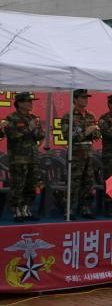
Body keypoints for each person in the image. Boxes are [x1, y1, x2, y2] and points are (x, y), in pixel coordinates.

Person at [2, 91, 45, 221]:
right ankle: (17, 211)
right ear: (20, 103)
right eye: (28, 101)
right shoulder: (11, 119)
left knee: (31, 185)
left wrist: (36, 128)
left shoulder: (33, 118)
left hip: (33, 158)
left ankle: (26, 209)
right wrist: (29, 129)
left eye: (31, 101)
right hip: (18, 158)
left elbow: (39, 136)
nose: (31, 104)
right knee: (18, 186)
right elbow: (13, 136)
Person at [59, 89, 101, 218]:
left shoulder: (90, 116)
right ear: (75, 99)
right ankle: (69, 210)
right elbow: (67, 136)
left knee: (88, 183)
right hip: (76, 154)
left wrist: (94, 132)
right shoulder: (68, 116)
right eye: (82, 97)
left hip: (88, 153)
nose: (85, 100)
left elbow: (97, 135)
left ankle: (86, 208)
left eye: (86, 97)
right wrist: (86, 133)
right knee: (73, 182)